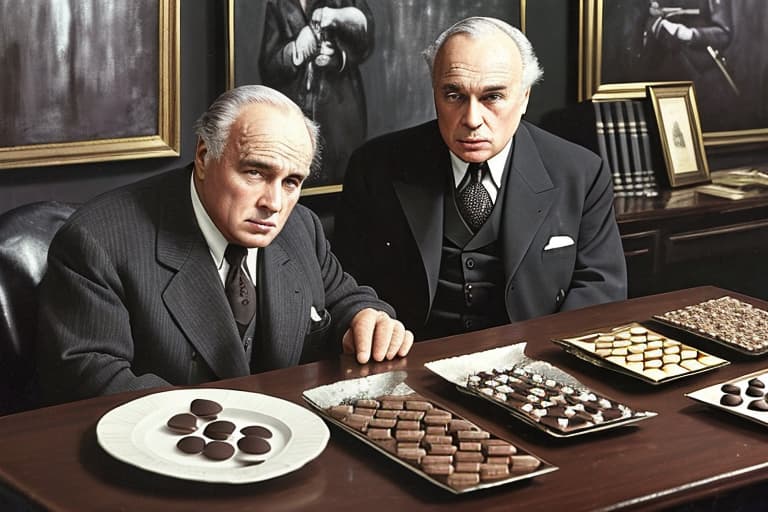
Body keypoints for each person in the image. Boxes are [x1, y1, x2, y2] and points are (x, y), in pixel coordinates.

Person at [36, 85, 412, 404]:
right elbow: (93, 377)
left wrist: (367, 318)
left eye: (291, 181)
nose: (274, 203)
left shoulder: (300, 228)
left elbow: (343, 298)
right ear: (204, 156)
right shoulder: (99, 240)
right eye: (255, 172)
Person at [333, 17, 627, 341]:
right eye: (454, 95)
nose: (472, 120)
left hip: (532, 362)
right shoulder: (374, 167)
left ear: (524, 97)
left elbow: (600, 288)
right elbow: (345, 285)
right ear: (435, 91)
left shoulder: (581, 172)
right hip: (407, 362)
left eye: (493, 97)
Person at [259, 0, 374, 187]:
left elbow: (365, 42)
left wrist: (338, 58)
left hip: (340, 115)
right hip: (292, 120)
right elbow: (268, 67)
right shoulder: (278, 4)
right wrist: (296, 50)